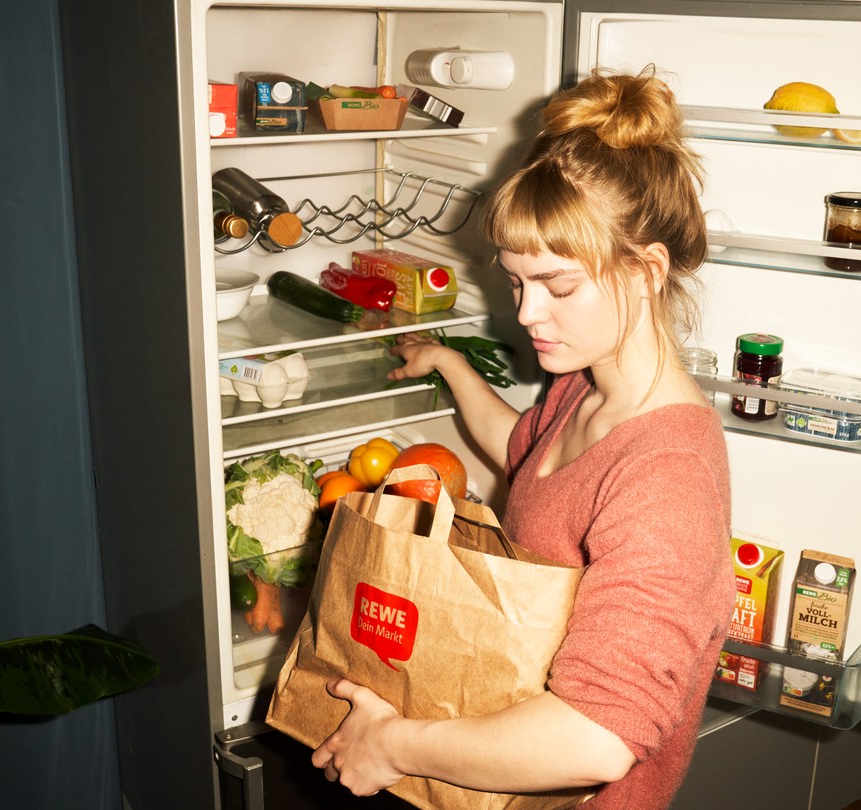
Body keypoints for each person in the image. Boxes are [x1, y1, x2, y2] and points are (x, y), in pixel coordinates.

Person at [310, 66, 735, 809]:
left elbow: (596, 736)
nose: (529, 313)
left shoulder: (667, 475)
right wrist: (447, 366)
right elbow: (528, 457)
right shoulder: (586, 383)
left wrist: (394, 743)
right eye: (516, 282)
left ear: (647, 271)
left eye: (559, 286)